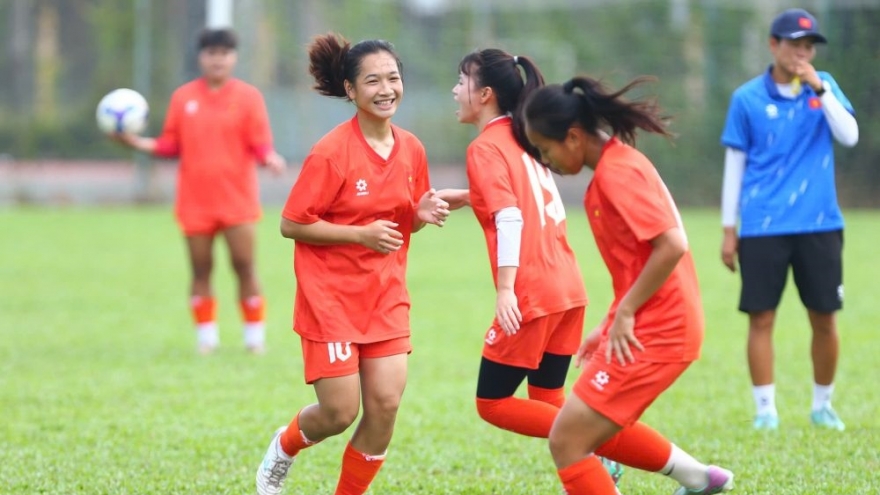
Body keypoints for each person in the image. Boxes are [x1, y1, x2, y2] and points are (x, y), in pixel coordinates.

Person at [254, 33, 449, 495]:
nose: (386, 89)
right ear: (351, 89)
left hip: (385, 297)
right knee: (339, 412)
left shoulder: (412, 149)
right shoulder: (331, 153)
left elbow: (402, 224)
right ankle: (284, 445)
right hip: (331, 300)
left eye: (393, 78)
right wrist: (359, 234)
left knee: (384, 407)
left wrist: (419, 214)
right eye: (373, 81)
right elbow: (291, 223)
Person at [522, 76, 735, 495]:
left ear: (573, 136)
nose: (546, 161)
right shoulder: (614, 167)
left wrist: (625, 312)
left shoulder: (617, 174)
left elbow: (672, 244)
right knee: (578, 429)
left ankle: (698, 478)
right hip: (648, 323)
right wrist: (609, 322)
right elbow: (635, 264)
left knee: (567, 440)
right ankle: (700, 479)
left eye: (545, 150)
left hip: (661, 328)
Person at [443, 48, 622, 485]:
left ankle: (603, 445)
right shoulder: (525, 137)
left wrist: (506, 289)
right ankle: (615, 462)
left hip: (532, 293)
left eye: (461, 81)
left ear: (485, 94)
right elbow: (524, 199)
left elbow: (510, 216)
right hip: (567, 287)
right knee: (547, 397)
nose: (454, 90)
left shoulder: (486, 146)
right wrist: (471, 197)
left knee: (493, 403)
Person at [719, 8, 858, 431]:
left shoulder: (824, 87)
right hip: (763, 226)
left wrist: (820, 88)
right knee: (761, 318)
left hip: (820, 223)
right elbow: (734, 165)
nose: (803, 53)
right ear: (773, 45)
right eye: (795, 44)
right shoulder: (746, 98)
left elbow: (849, 135)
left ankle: (823, 405)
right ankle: (766, 411)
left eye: (809, 46)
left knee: (824, 317)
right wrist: (729, 229)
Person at [113, 28, 286, 354]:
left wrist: (270, 158)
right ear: (200, 57)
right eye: (211, 53)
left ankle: (254, 338)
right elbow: (170, 145)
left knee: (244, 265)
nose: (217, 60)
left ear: (234, 58)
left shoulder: (249, 97)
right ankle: (206, 339)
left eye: (224, 53)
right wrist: (136, 142)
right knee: (201, 268)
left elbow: (260, 143)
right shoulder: (183, 98)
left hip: (237, 200)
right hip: (195, 201)